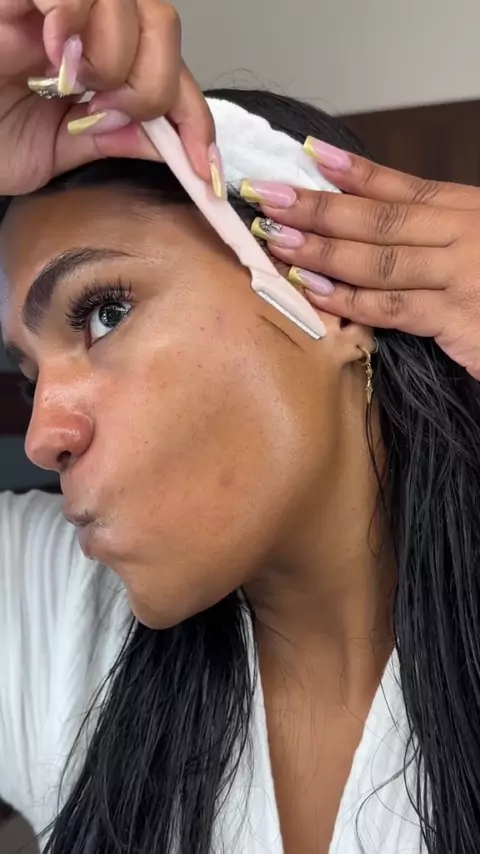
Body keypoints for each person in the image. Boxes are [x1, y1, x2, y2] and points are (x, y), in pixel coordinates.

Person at [2, 4, 480, 854]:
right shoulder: (59, 616)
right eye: (29, 376)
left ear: (328, 301)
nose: (44, 436)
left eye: (104, 312)